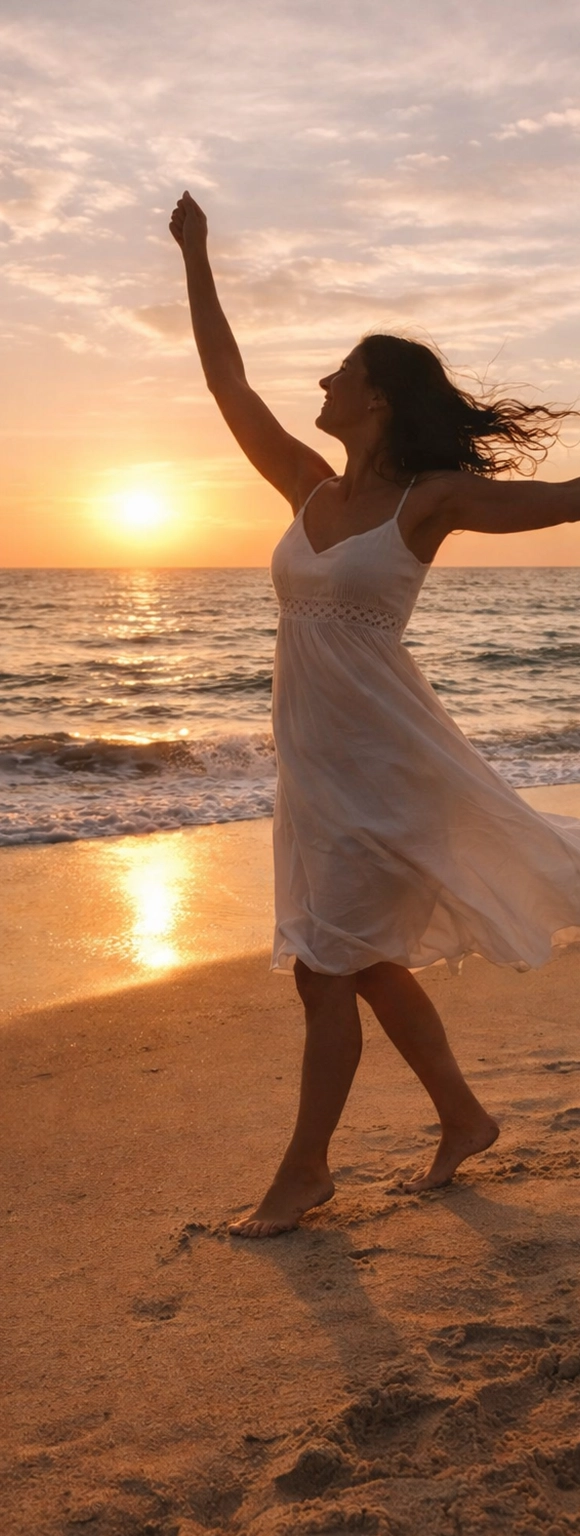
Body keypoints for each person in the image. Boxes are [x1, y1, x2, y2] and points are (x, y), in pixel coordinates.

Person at [170, 190, 580, 1238]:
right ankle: (465, 1117)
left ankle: (303, 1172)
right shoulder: (305, 488)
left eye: (341, 369)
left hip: (385, 764)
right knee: (358, 962)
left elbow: (574, 499)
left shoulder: (427, 502)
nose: (321, 379)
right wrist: (196, 255)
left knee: (325, 969)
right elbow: (227, 379)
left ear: (380, 398)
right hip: (312, 769)